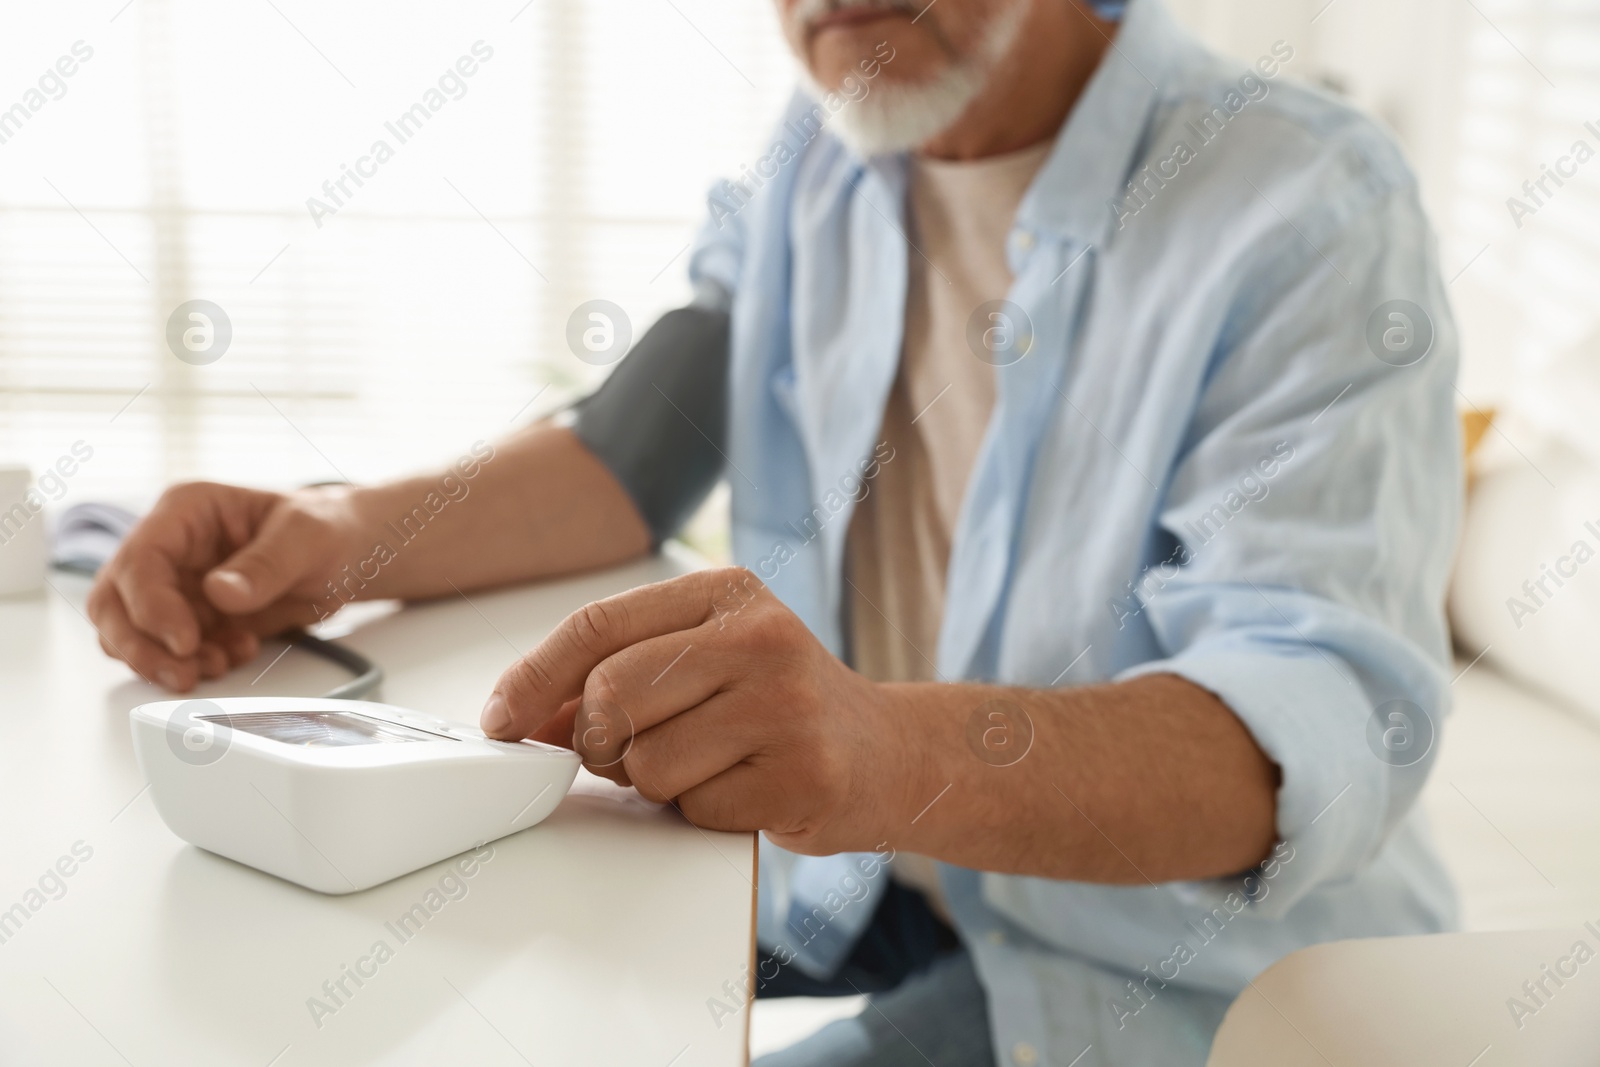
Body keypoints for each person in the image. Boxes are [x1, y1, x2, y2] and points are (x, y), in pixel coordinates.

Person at [88, 0, 1463, 1062]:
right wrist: (333, 537)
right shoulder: (831, 146)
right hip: (872, 877)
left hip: (1169, 961)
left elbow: (1319, 729)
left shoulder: (1304, 203)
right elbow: (632, 453)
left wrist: (879, 755)